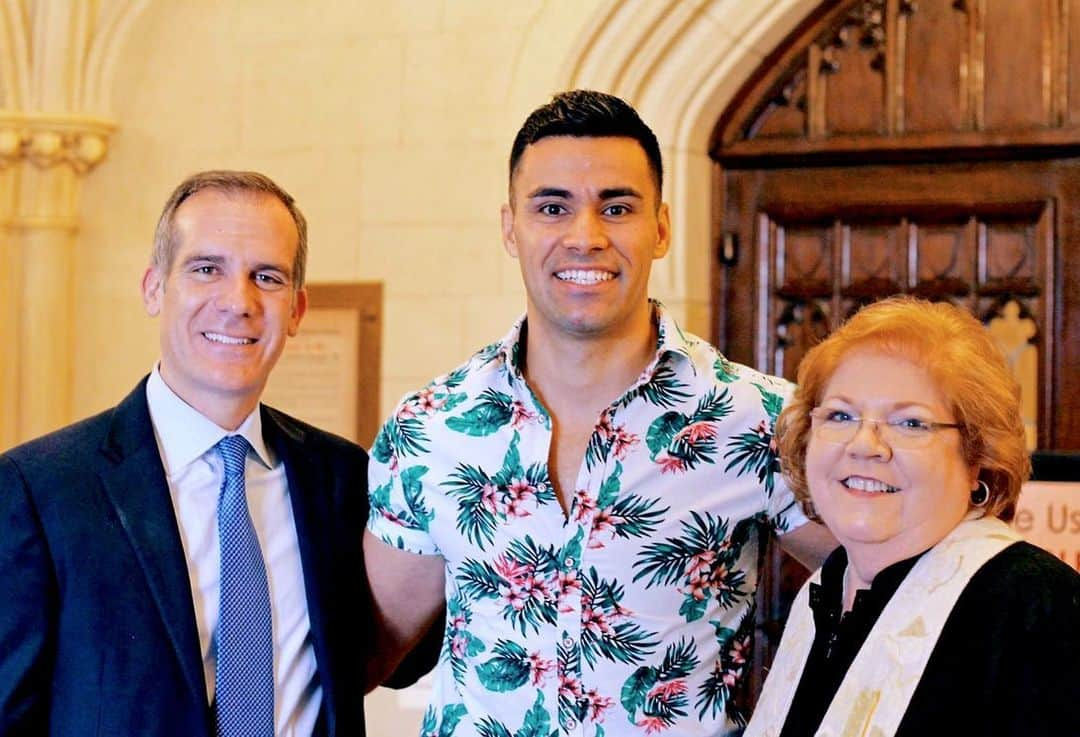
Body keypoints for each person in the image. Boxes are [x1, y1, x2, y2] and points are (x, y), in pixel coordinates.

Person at [363, 90, 835, 737]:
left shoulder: (756, 419)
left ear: (661, 227)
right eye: (552, 207)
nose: (585, 236)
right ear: (510, 227)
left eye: (617, 207)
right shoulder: (433, 426)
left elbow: (892, 591)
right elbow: (358, 652)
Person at [0, 170, 426, 736]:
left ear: (296, 310)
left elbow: (401, 658)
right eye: (207, 269)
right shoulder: (40, 488)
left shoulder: (344, 479)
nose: (238, 301)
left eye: (267, 277)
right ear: (154, 288)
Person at [744, 296, 1080, 737]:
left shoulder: (1034, 605)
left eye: (910, 424)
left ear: (977, 453)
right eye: (841, 415)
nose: (865, 445)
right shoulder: (830, 586)